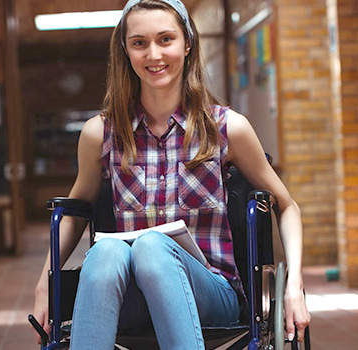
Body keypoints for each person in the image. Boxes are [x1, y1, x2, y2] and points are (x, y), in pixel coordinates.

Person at [32, 0, 310, 348]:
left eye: (166, 39)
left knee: (151, 245)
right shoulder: (100, 133)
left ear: (187, 43)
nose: (153, 54)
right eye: (139, 43)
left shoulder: (227, 128)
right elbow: (73, 214)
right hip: (131, 297)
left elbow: (288, 206)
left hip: (211, 291)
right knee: (104, 253)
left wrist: (294, 285)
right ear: (125, 51)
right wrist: (46, 283)